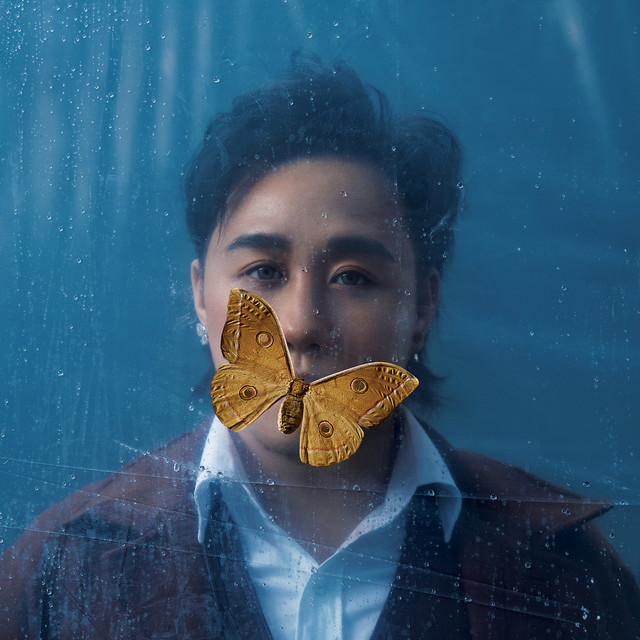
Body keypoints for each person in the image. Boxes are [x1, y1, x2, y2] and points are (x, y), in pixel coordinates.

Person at [1, 54, 639, 640]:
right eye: (263, 272)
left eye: (353, 278)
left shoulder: (565, 564)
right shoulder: (63, 564)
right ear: (200, 296)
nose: (302, 325)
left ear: (422, 307)